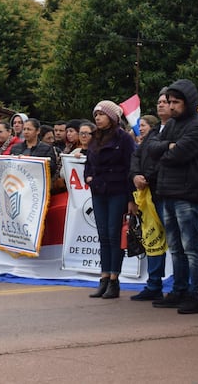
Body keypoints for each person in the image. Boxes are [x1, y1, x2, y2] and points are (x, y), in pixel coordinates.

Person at [145, 79, 198, 314]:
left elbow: (178, 155)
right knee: (175, 247)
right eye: (169, 101)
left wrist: (167, 148)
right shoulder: (171, 125)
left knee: (190, 247)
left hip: (187, 194)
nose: (171, 106)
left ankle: (196, 295)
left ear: (188, 102)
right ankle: (179, 290)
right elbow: (151, 148)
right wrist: (167, 146)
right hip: (167, 192)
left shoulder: (197, 126)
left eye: (176, 102)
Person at [84, 101, 136, 299]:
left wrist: (131, 198)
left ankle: (114, 280)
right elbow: (88, 163)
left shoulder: (123, 138)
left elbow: (131, 167)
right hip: (98, 191)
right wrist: (88, 178)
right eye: (96, 114)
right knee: (103, 235)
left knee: (114, 235)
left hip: (117, 191)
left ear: (112, 117)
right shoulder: (94, 138)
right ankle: (103, 278)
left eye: (102, 114)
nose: (97, 118)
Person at [128, 89, 171, 301]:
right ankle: (154, 284)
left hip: (166, 193)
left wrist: (147, 176)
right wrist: (136, 175)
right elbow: (136, 156)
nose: (161, 104)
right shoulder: (152, 135)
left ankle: (183, 287)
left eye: (166, 102)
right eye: (159, 101)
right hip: (148, 194)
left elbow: (164, 160)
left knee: (179, 243)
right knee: (152, 237)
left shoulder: (178, 130)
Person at [11, 119, 58, 186]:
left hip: (36, 185)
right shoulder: (15, 148)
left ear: (37, 131)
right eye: (24, 129)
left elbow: (52, 168)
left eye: (29, 129)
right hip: (18, 183)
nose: (26, 132)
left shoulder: (46, 148)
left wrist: (29, 160)